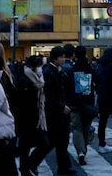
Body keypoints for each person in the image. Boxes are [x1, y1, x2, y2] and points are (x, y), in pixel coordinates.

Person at [15, 54, 51, 176]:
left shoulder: (37, 79)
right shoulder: (24, 80)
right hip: (26, 118)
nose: (42, 69)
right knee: (28, 146)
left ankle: (28, 166)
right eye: (40, 66)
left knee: (38, 144)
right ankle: (25, 168)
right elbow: (21, 100)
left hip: (36, 117)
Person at [43, 45, 77, 175]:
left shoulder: (58, 71)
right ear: (54, 58)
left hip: (61, 111)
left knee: (61, 142)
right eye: (61, 57)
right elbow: (49, 96)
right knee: (54, 142)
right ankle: (32, 162)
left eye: (64, 57)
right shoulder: (49, 73)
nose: (63, 59)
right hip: (55, 113)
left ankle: (64, 167)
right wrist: (62, 106)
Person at [64, 45, 96, 166]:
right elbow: (97, 82)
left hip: (74, 103)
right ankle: (84, 150)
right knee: (86, 127)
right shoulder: (90, 68)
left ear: (75, 56)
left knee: (77, 128)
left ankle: (81, 152)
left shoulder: (71, 70)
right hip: (88, 102)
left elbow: (67, 87)